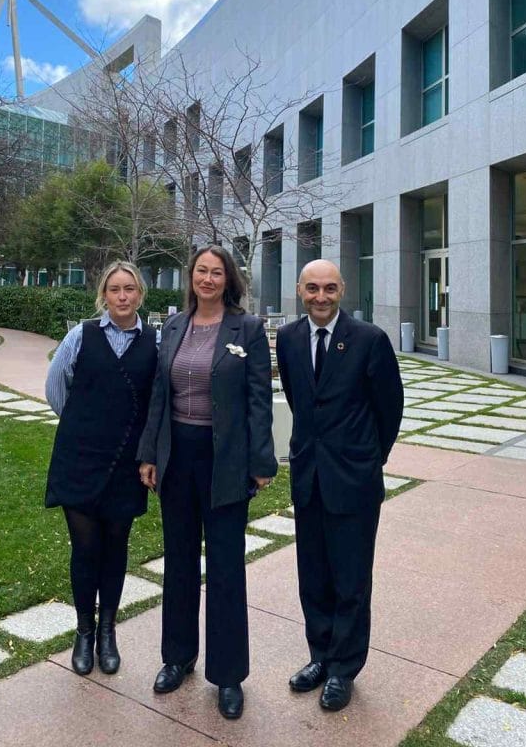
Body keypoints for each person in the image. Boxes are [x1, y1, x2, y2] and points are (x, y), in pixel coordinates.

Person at [138, 246, 277, 720]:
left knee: (224, 568)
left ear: (228, 279)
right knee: (178, 562)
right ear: (191, 276)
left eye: (217, 272)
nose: (208, 279)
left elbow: (260, 399)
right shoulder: (173, 326)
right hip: (177, 458)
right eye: (201, 270)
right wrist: (149, 454)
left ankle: (229, 675)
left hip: (227, 464)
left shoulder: (248, 329)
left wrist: (261, 463)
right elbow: (159, 393)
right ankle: (177, 657)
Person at [275, 259, 403, 711]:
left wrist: (369, 458)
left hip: (354, 481)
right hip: (309, 476)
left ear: (342, 289)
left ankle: (344, 669)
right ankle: (320, 656)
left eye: (329, 288)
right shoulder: (289, 338)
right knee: (313, 577)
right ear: (300, 290)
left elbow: (390, 408)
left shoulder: (370, 340)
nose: (321, 297)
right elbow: (297, 396)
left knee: (350, 580)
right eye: (312, 288)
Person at [45, 261, 158, 678]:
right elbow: (56, 389)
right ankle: (84, 633)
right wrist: (84, 424)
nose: (123, 296)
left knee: (115, 549)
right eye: (115, 289)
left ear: (140, 294)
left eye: (130, 288)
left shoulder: (155, 342)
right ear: (104, 295)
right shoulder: (81, 335)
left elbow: (156, 399)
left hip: (127, 461)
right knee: (85, 549)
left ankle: (109, 631)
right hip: (79, 457)